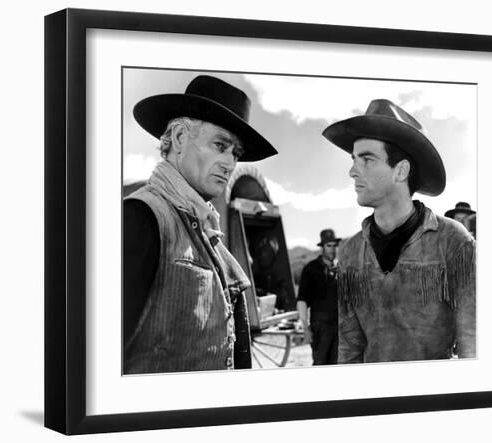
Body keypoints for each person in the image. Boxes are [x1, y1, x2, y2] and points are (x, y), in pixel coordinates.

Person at [123, 75, 277, 374]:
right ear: (179, 138)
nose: (230, 163)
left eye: (236, 153)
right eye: (220, 145)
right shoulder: (141, 217)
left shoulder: (210, 236)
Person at [322, 99, 476, 363]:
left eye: (367, 159)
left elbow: (471, 345)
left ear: (401, 171)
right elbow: (350, 346)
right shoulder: (349, 251)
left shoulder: (453, 240)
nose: (352, 171)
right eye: (353, 159)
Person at [296, 229, 341, 365]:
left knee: (338, 364)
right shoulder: (311, 269)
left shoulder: (340, 268)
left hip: (339, 326)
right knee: (320, 365)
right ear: (322, 247)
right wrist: (305, 328)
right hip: (320, 328)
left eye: (334, 246)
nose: (332, 250)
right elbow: (302, 300)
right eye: (329, 246)